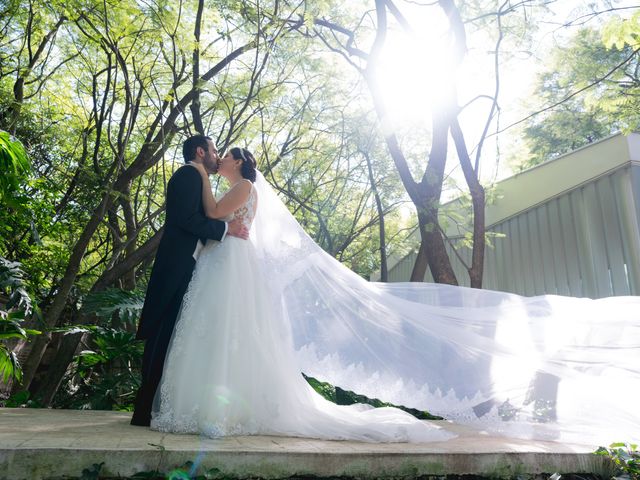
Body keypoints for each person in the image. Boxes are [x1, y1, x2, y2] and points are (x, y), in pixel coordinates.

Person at [150, 147, 640, 445]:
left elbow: (214, 212)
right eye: (220, 158)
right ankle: (210, 404)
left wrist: (197, 175)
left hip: (232, 262)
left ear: (239, 163)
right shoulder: (240, 186)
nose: (223, 162)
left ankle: (223, 409)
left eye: (227, 158)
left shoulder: (244, 188)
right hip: (225, 264)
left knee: (230, 331)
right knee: (220, 332)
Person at [130, 135, 249, 427]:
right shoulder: (187, 174)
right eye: (214, 150)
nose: (217, 155)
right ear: (200, 151)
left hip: (189, 265)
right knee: (160, 335)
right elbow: (185, 219)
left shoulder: (199, 178)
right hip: (175, 266)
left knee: (171, 336)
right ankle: (143, 411)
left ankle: (151, 409)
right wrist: (225, 230)